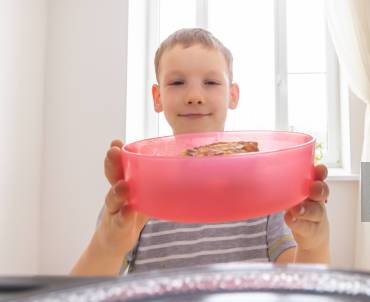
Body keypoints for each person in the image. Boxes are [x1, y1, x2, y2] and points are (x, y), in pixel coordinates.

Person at [71, 28, 330, 275]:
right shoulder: (140, 192)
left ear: (233, 95)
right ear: (157, 96)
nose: (194, 95)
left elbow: (297, 286)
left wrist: (313, 245)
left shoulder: (265, 188)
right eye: (177, 82)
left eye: (210, 82)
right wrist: (107, 245)